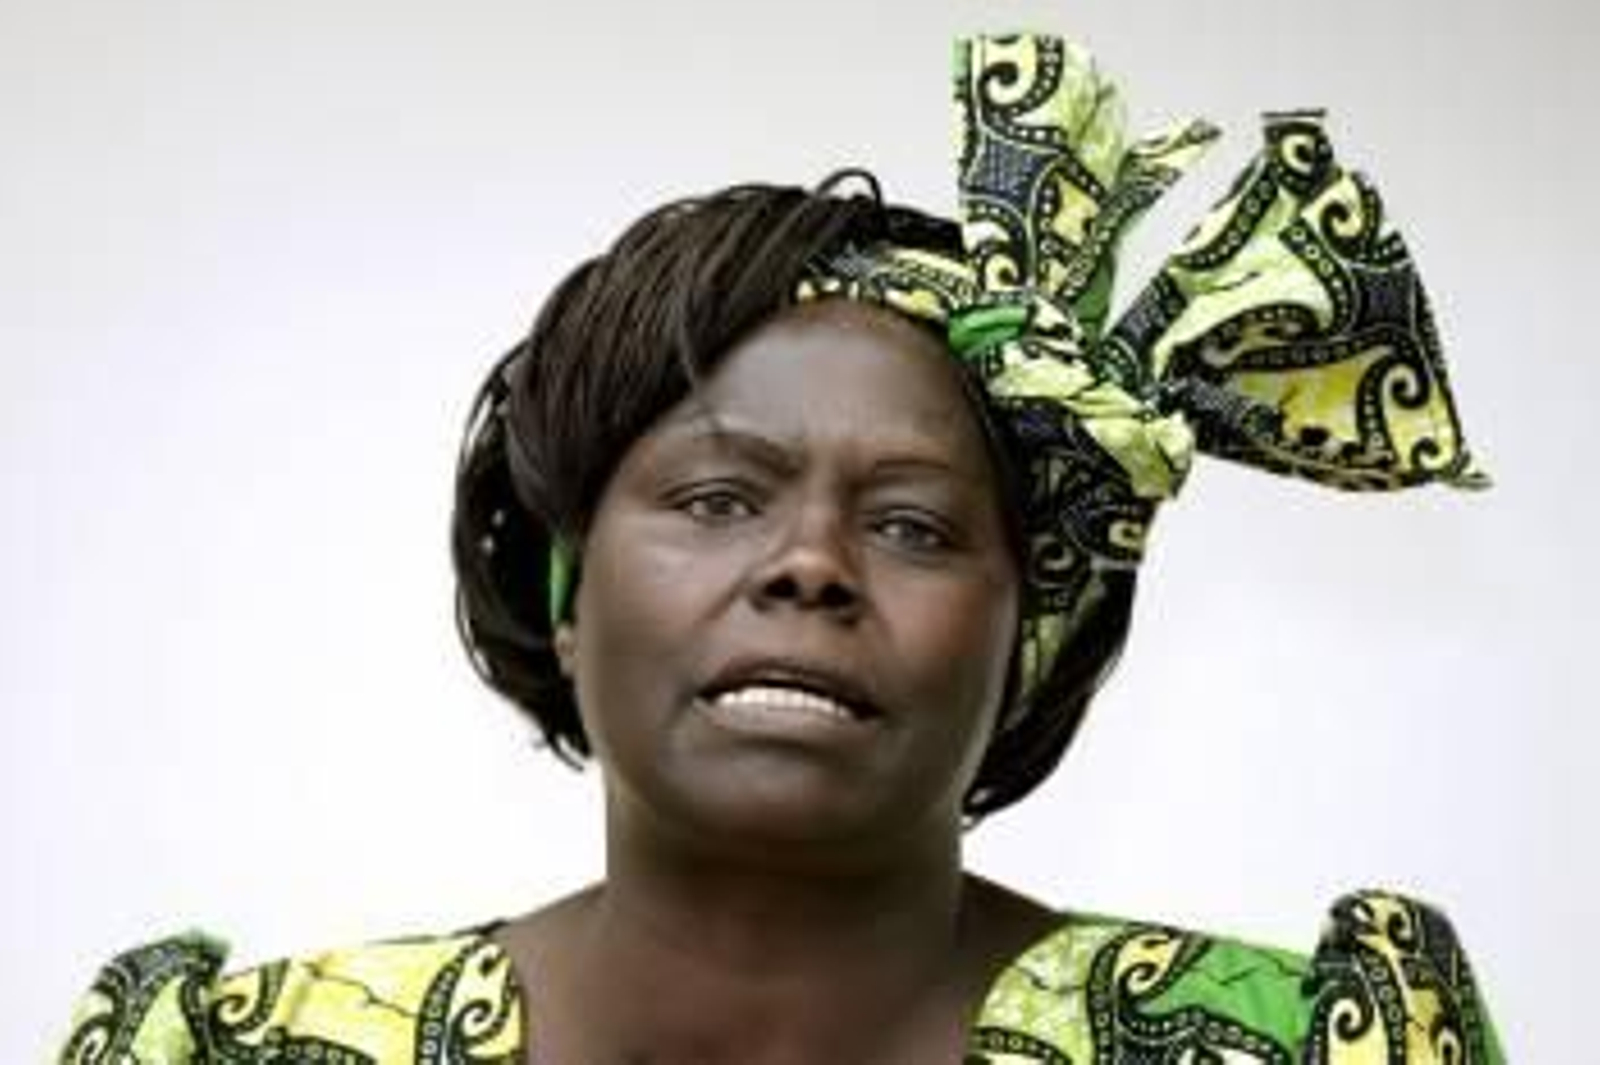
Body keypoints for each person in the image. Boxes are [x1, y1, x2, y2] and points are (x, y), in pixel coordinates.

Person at [55, 33, 1503, 1064]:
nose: (810, 563)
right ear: (568, 591)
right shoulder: (236, 1050)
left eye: (914, 525)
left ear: (1029, 636)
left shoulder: (1314, 1045)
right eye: (716, 496)